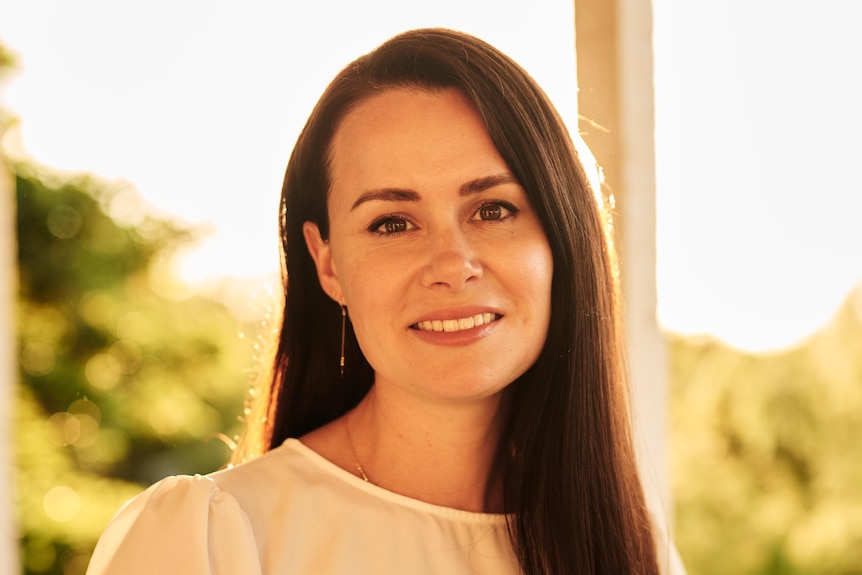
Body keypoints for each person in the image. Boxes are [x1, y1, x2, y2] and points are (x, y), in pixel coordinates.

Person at [87, 28, 684, 574]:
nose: (453, 266)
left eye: (494, 209)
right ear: (328, 264)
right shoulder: (212, 540)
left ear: (562, 237)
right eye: (393, 223)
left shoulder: (631, 547)